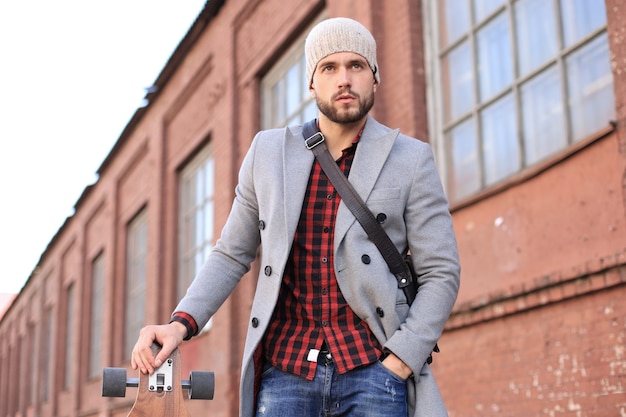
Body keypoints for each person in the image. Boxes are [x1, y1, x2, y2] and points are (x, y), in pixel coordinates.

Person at [132, 17, 460, 417]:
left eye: (356, 66)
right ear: (311, 82)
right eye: (329, 67)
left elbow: (441, 271)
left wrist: (401, 360)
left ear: (374, 78)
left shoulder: (410, 159)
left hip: (375, 370)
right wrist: (180, 324)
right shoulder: (268, 153)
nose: (344, 79)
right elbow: (232, 253)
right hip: (286, 372)